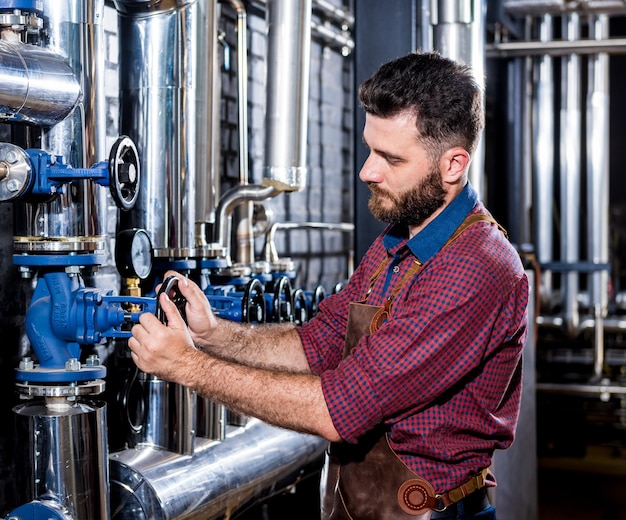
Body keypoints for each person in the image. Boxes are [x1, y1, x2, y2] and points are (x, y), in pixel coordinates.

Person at [129, 51, 529, 520]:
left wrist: (188, 367)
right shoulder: (397, 241)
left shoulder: (474, 267)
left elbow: (336, 411)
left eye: (390, 158)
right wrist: (213, 334)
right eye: (369, 148)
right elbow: (319, 343)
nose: (367, 171)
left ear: (453, 165)